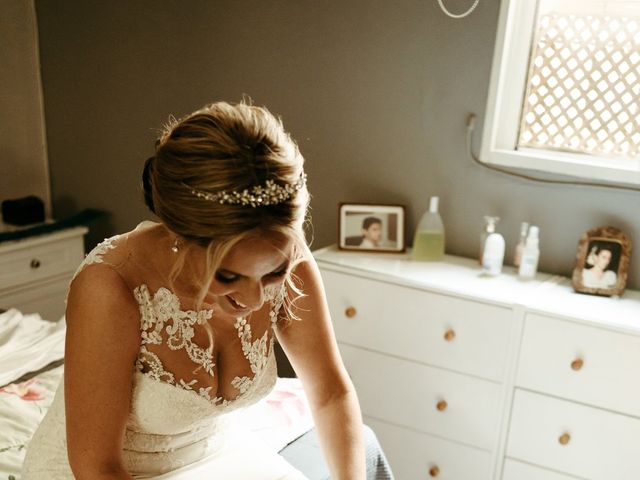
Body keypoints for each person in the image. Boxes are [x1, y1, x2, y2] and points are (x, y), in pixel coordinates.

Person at [21, 101, 393, 479]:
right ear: (179, 238)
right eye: (228, 277)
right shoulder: (112, 286)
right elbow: (96, 466)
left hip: (213, 457)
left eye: (274, 273)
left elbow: (330, 393)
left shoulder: (287, 256)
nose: (254, 299)